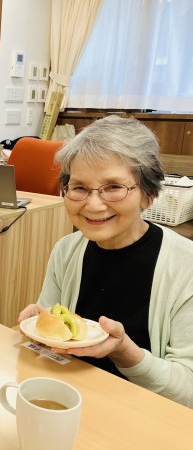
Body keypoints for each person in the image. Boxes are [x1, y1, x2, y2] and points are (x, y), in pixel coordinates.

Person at [17, 115, 193, 408]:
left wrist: (125, 352)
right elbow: (51, 351)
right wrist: (38, 334)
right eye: (79, 187)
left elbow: (188, 389)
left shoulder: (186, 267)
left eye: (113, 187)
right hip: (71, 400)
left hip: (145, 414)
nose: (94, 205)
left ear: (148, 195)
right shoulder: (66, 250)